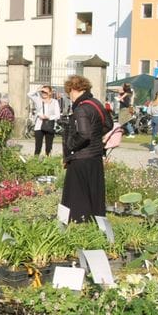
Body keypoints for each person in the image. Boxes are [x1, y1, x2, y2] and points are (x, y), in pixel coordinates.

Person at [61, 75, 107, 223]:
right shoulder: (96, 103)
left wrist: (70, 145)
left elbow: (84, 134)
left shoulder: (81, 109)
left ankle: (77, 222)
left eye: (69, 93)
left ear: (74, 89)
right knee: (94, 194)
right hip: (95, 157)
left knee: (76, 195)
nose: (70, 97)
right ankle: (95, 222)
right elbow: (108, 125)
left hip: (81, 158)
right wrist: (96, 136)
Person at [30, 85, 61, 156]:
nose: (43, 93)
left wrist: (48, 117)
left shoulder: (54, 102)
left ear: (50, 93)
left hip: (49, 125)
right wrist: (38, 89)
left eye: (45, 92)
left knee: (49, 147)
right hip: (39, 126)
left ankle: (48, 162)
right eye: (42, 92)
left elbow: (57, 115)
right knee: (38, 147)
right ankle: (35, 163)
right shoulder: (38, 100)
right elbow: (29, 94)